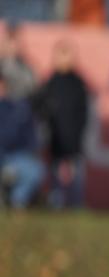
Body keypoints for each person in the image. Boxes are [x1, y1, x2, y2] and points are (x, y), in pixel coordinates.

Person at [34, 40, 89, 209]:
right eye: (61, 55)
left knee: (77, 174)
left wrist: (79, 134)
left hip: (73, 137)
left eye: (67, 55)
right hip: (55, 137)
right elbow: (40, 108)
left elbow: (83, 112)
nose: (64, 59)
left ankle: (76, 205)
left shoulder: (78, 83)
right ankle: (55, 204)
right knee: (55, 174)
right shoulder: (49, 83)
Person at [0, 71, 44, 209]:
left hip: (14, 157)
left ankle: (17, 201)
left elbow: (30, 139)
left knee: (35, 170)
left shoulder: (18, 109)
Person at [0, 24, 36, 101]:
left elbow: (32, 84)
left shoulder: (24, 64)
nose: (10, 47)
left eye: (13, 43)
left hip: (21, 101)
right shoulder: (3, 63)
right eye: (8, 43)